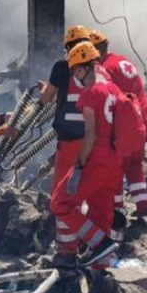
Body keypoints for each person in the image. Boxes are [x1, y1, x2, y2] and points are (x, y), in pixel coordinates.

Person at [50, 41, 122, 267]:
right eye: (75, 72)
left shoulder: (91, 94)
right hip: (114, 159)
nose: (78, 76)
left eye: (79, 70)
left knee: (60, 202)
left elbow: (90, 135)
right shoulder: (112, 87)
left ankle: (99, 243)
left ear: (91, 65)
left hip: (96, 157)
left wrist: (79, 168)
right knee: (101, 208)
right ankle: (101, 267)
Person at [38, 25, 100, 253]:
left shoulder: (62, 67)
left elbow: (46, 99)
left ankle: (67, 249)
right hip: (93, 144)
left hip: (70, 144)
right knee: (88, 195)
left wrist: (42, 95)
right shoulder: (97, 71)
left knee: (62, 198)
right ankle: (92, 241)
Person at [89, 30, 147, 217]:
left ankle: (116, 210)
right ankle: (143, 203)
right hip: (143, 119)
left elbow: (106, 101)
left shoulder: (104, 70)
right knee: (135, 164)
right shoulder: (123, 60)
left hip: (125, 125)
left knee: (115, 167)